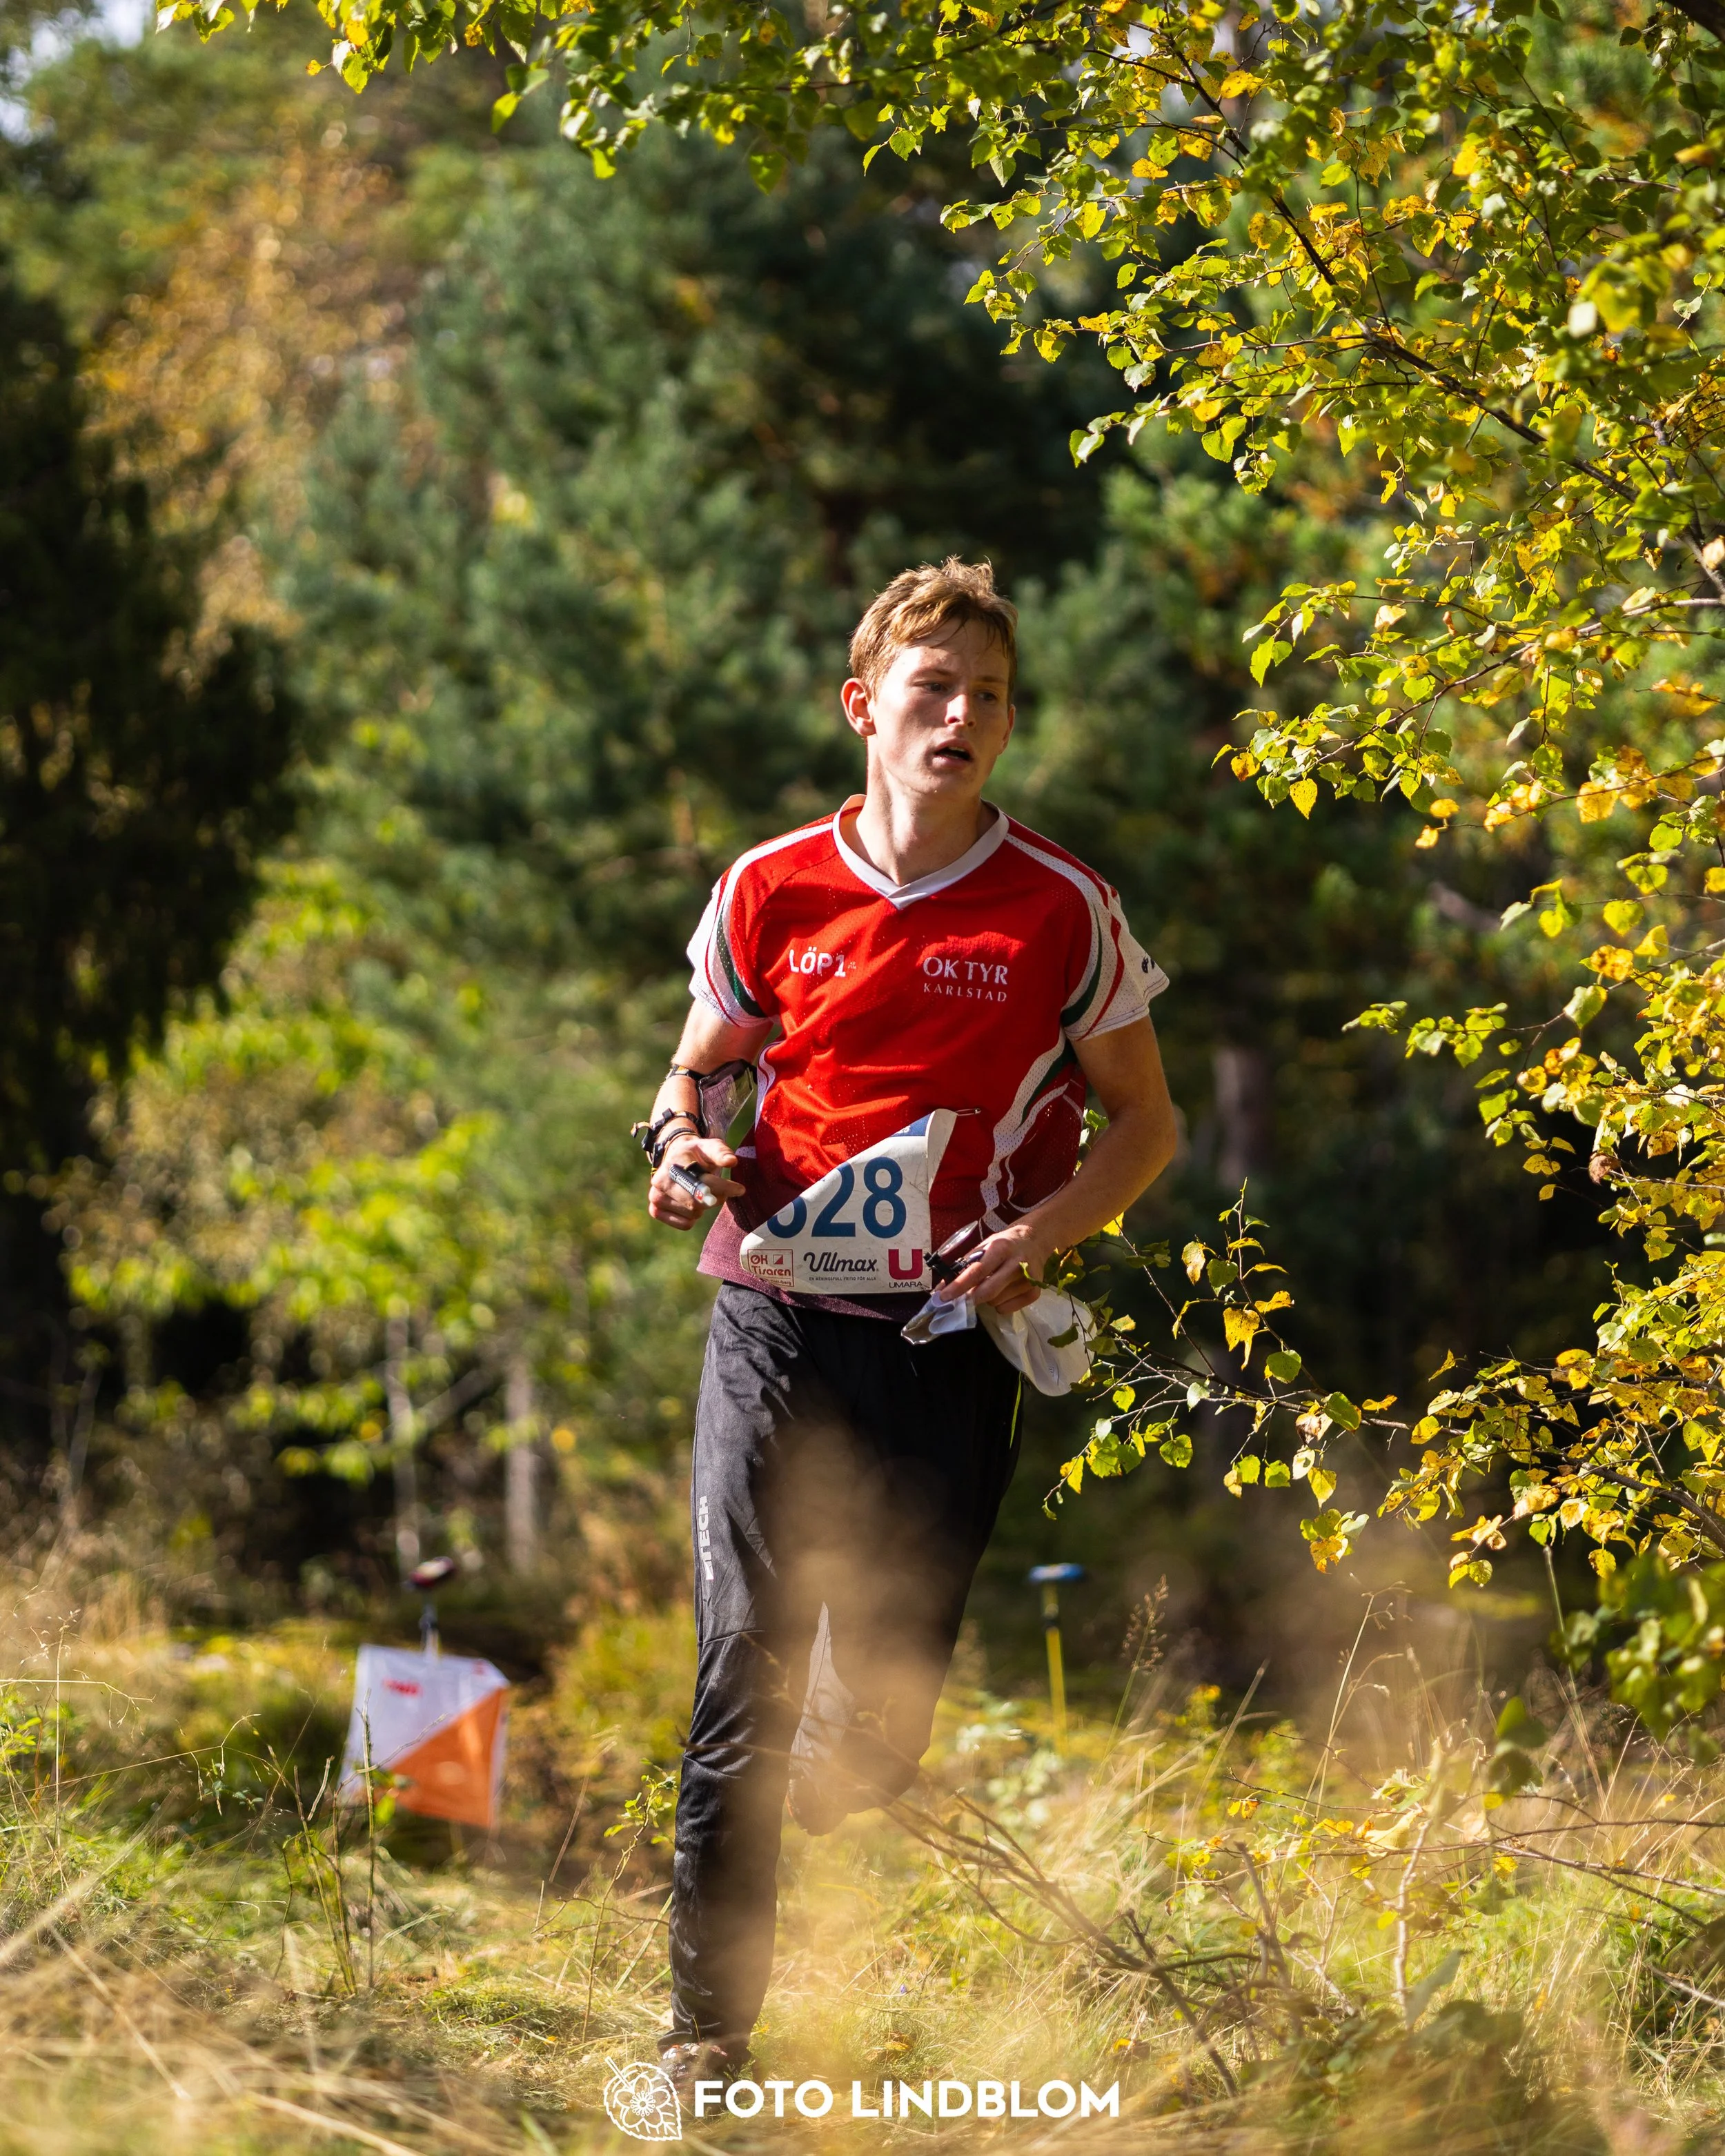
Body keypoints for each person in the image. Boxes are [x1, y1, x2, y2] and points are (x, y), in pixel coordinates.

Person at [638, 558, 1178, 2093]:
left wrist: (1040, 1237)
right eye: (933, 688)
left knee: (872, 1730)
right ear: (862, 707)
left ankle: (840, 1770)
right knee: (742, 1674)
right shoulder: (769, 886)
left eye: (988, 695)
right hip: (775, 1308)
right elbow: (696, 1075)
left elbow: (1144, 1125)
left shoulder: (1060, 906)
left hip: (946, 1332)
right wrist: (681, 1149)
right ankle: (706, 2042)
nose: (962, 715)